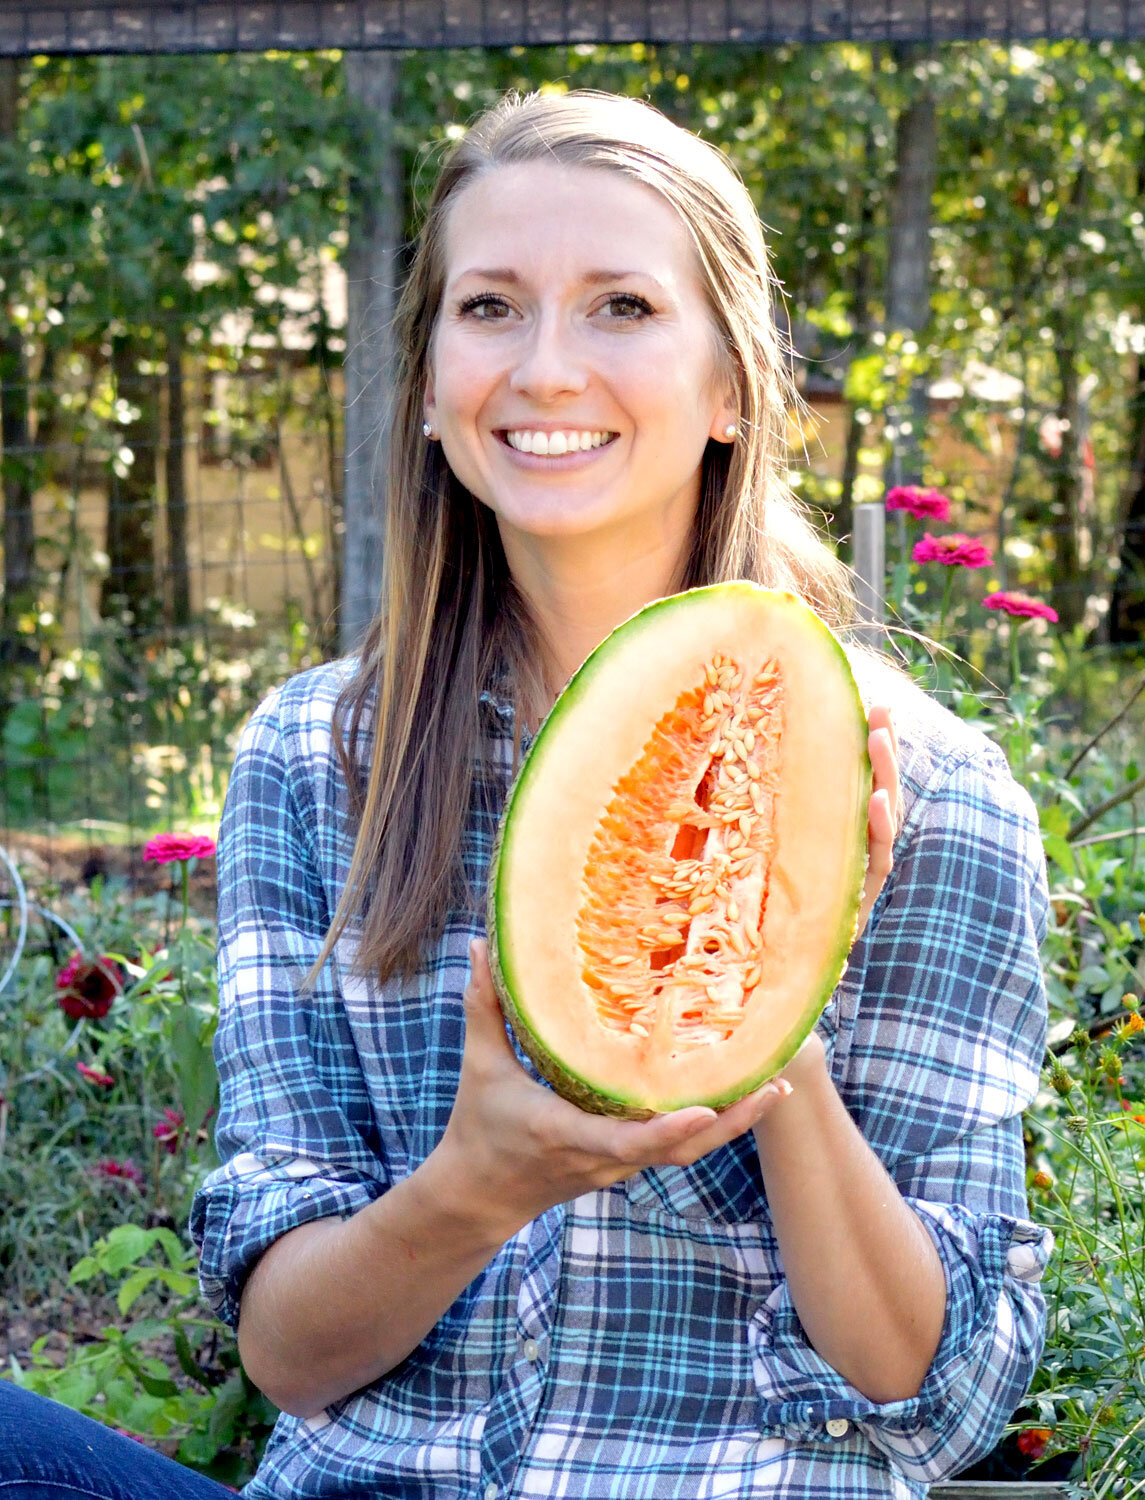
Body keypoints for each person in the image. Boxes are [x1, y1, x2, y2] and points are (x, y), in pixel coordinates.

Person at [0, 89, 1051, 1499]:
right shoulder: (315, 761)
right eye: (491, 308)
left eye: (622, 306)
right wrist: (476, 1185)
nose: (548, 368)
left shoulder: (930, 788)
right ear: (432, 389)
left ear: (734, 384)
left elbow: (938, 1396)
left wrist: (763, 1004)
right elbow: (291, 1358)